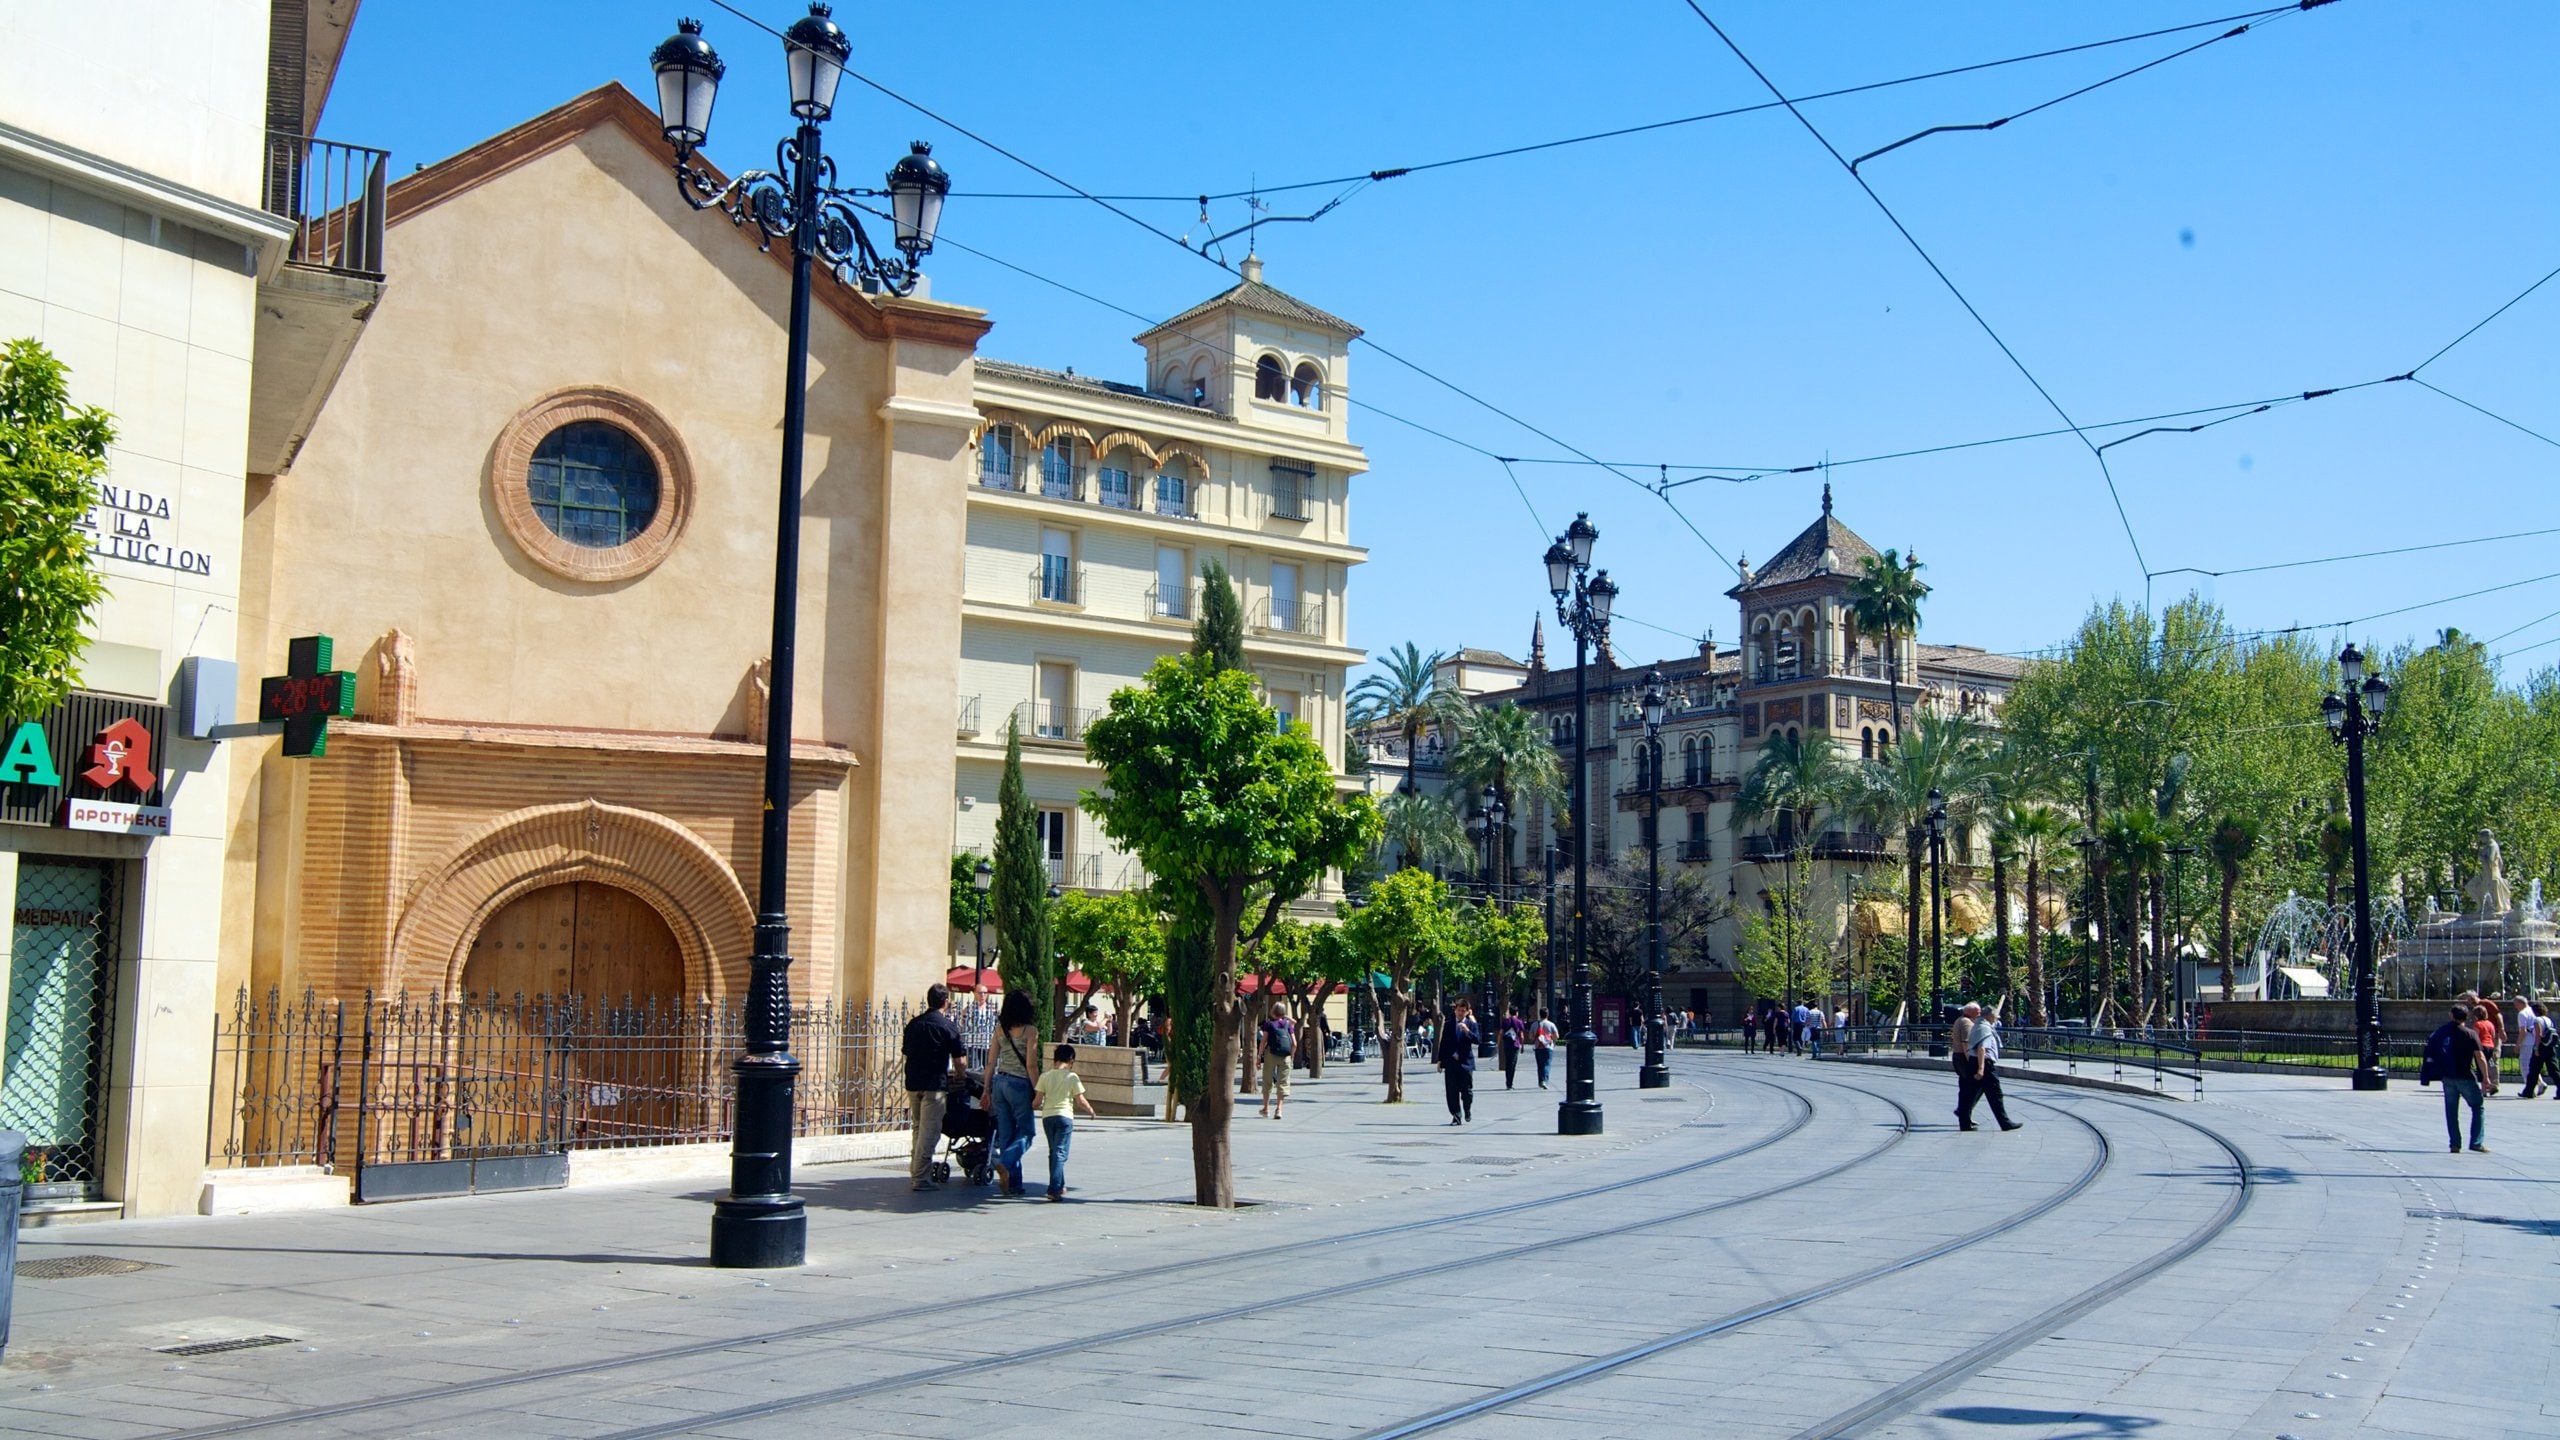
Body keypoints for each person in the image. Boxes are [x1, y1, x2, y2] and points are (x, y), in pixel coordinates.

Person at [901, 983, 967, 1191]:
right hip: (934, 1084)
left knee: (918, 1127)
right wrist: (960, 1076)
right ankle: (920, 1177)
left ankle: (917, 1170)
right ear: (946, 1002)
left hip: (913, 1081)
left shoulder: (914, 1024)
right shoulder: (947, 1026)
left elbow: (906, 1052)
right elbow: (960, 1060)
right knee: (930, 1131)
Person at [986, 990, 1043, 1196]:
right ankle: (1006, 1162)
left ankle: (1014, 1184)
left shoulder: (1000, 1030)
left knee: (1007, 1136)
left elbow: (991, 1061)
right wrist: (1039, 1091)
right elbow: (1031, 1065)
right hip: (1019, 1084)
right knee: (1027, 1132)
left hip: (999, 1083)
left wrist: (985, 1089)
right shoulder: (1030, 1031)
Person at [2422, 1000, 2490, 1153]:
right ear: (2466, 1017)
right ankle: (2476, 1142)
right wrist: (2485, 1078)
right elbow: (2480, 1057)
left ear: (2451, 1015)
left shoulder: (2442, 1032)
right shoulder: (2470, 1034)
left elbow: (2430, 1048)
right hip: (2466, 1076)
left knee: (2451, 1111)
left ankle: (2455, 1143)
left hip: (2448, 1077)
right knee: (2478, 1107)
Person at [1034, 1043, 1099, 1201]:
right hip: (1065, 1117)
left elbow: (1037, 1101)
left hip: (1048, 1117)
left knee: (1054, 1153)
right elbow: (1080, 1100)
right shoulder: (1072, 1077)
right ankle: (1054, 1189)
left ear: (1055, 1059)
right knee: (1060, 1153)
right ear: (1071, 1060)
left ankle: (1060, 1185)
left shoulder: (1045, 1076)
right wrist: (1090, 1110)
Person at [1958, 1006, 2023, 1132]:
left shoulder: (1978, 1025)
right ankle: (2005, 1123)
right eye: (1995, 1015)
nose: (1997, 1017)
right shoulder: (1984, 1028)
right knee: (1995, 1095)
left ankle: (1964, 1123)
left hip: (1975, 1063)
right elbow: (1982, 1048)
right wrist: (1981, 1069)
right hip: (1984, 1065)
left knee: (1970, 1094)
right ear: (1988, 1016)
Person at [1436, 1000, 1481, 1124]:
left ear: (1467, 1012)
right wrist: (1440, 1060)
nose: (1460, 1013)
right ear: (1455, 1010)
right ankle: (1456, 1116)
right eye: (1458, 1010)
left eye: (1463, 1011)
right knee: (1451, 1091)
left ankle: (1467, 1109)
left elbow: (1478, 1040)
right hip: (1451, 1063)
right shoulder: (1448, 1024)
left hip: (1466, 1063)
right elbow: (1443, 1043)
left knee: (1467, 1091)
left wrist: (1467, 1031)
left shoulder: (1471, 1025)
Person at [1257, 1006, 1297, 1119]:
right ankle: (1279, 1109)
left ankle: (1266, 1108)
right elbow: (1294, 1043)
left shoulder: (1269, 1024)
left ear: (1272, 1012)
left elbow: (1263, 1041)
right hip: (1285, 1056)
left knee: (1267, 1080)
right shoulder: (1288, 1025)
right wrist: (1291, 1056)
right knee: (1283, 1083)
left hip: (1271, 1054)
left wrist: (1259, 1056)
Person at [1949, 1002, 1981, 1129]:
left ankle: (1964, 1113)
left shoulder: (1960, 1020)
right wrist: (1972, 1061)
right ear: (1970, 1012)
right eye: (1977, 1012)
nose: (1980, 1014)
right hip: (1963, 1057)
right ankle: (1964, 1112)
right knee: (1972, 1087)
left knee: (1966, 1087)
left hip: (1959, 1056)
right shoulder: (1966, 1023)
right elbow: (1966, 1043)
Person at [2516, 999, 2541, 1099]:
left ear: (2520, 1003)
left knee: (2525, 1066)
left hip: (2526, 1043)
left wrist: (2518, 1044)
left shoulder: (2522, 1014)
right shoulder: (2532, 1011)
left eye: (2515, 1004)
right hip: (2535, 1041)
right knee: (2533, 1066)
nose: (2515, 1007)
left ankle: (2529, 1089)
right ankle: (2541, 1084)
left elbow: (2523, 1031)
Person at [1499, 1007, 1525, 1089]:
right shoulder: (1519, 1022)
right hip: (1515, 1045)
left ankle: (1508, 1082)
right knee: (1513, 1064)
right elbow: (1521, 1035)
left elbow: (1501, 1033)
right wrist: (1522, 1045)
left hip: (1507, 1044)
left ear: (1510, 1012)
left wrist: (1498, 1043)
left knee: (1507, 1063)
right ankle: (1510, 1083)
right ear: (1516, 1012)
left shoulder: (1505, 1021)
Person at [1531, 1010, 1558, 1088]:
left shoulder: (1534, 1024)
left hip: (1538, 1046)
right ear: (1547, 1015)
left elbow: (1531, 1036)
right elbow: (1556, 1036)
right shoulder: (1551, 1024)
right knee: (1547, 1064)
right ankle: (1544, 1081)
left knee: (1540, 1065)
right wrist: (1550, 1038)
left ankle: (1540, 1081)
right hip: (1548, 1046)